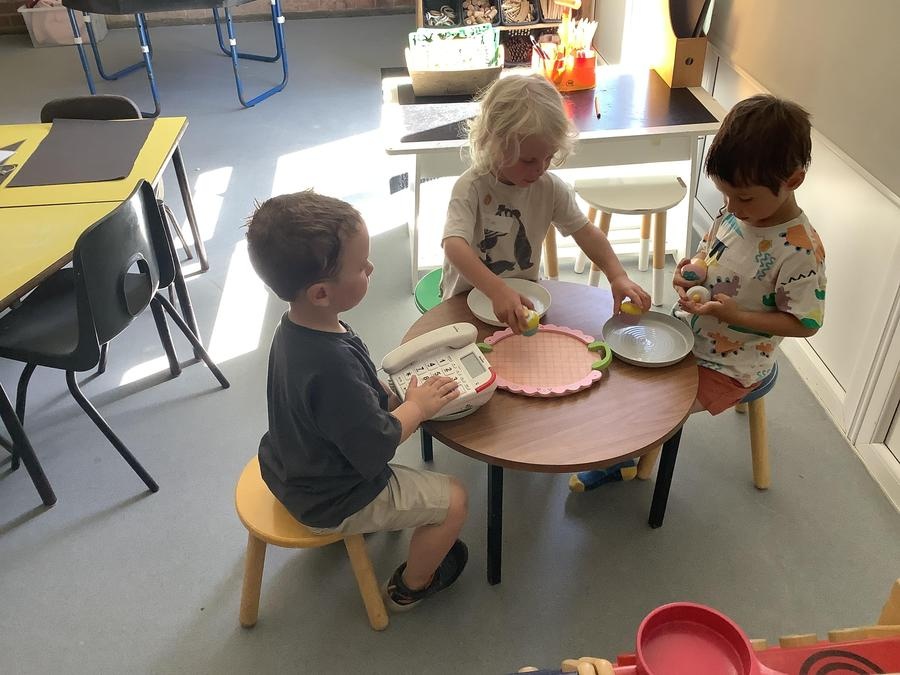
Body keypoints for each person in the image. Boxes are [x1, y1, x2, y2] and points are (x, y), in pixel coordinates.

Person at [571, 94, 827, 491]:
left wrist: (734, 316)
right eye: (725, 195)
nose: (732, 206)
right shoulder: (735, 214)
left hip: (733, 365)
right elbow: (707, 255)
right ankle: (620, 445)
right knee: (616, 370)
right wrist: (691, 273)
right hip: (688, 333)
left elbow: (806, 323)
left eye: (744, 197)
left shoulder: (800, 251)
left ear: (793, 180)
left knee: (653, 406)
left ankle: (620, 462)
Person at [246, 190, 469, 611]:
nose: (371, 267)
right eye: (361, 265)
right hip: (333, 497)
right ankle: (411, 587)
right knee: (455, 500)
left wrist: (390, 395)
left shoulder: (297, 327)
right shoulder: (331, 367)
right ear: (321, 293)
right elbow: (377, 444)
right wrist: (417, 407)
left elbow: (349, 395)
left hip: (290, 468)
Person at [441, 73, 650, 334]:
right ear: (493, 144)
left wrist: (617, 275)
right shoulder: (471, 187)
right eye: (528, 160)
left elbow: (586, 233)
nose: (540, 169)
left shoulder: (549, 187)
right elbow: (453, 245)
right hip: (466, 303)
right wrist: (496, 290)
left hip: (525, 303)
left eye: (548, 157)